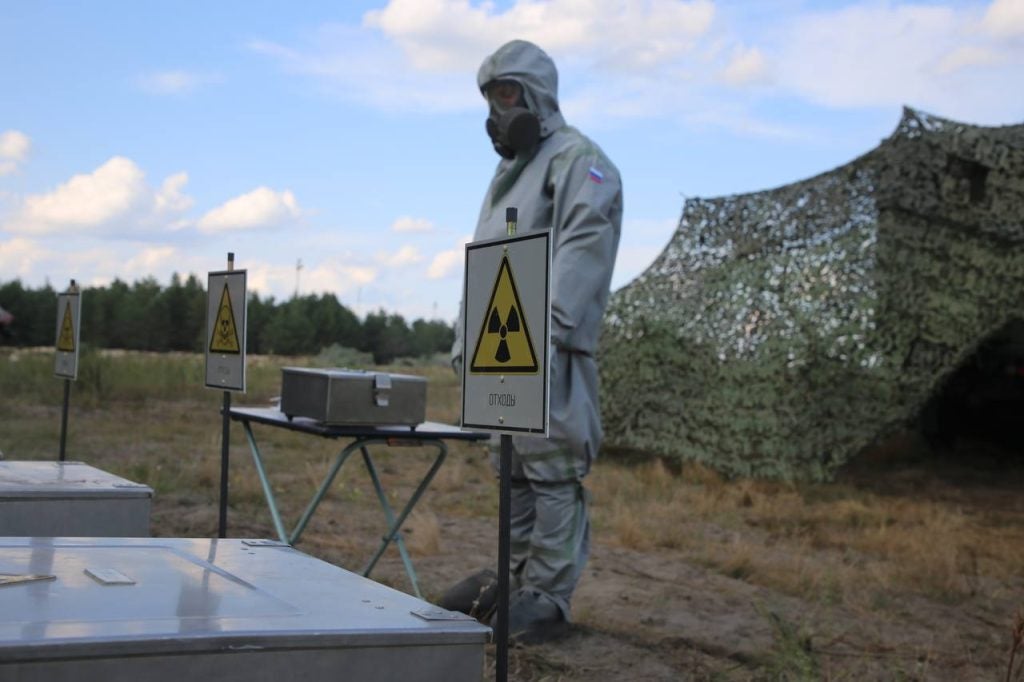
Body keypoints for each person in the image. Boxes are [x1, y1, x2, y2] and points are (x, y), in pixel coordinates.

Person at [444, 39, 623, 644]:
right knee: (512, 473)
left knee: (552, 473)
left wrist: (545, 331)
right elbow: (488, 258)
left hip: (547, 351)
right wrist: (466, 338)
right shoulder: (508, 174)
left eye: (506, 95)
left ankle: (547, 595)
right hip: (501, 356)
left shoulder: (579, 160)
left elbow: (584, 247)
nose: (496, 111)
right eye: (490, 97)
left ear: (537, 94)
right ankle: (512, 578)